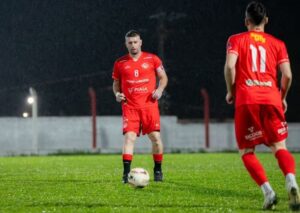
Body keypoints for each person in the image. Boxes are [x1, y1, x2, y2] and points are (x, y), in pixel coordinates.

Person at [224, 1, 300, 211]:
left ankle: (268, 192)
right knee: (279, 147)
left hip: (247, 98)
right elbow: (287, 75)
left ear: (246, 21)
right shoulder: (278, 43)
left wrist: (231, 91)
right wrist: (282, 96)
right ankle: (291, 180)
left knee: (247, 151)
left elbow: (230, 66)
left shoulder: (236, 39)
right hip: (271, 98)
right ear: (266, 20)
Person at [112, 30, 168, 184]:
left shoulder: (152, 59)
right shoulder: (120, 63)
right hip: (130, 107)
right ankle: (125, 174)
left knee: (155, 138)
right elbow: (116, 84)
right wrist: (117, 94)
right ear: (126, 44)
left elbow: (163, 78)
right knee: (129, 137)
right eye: (130, 42)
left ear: (141, 42)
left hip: (149, 106)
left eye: (135, 42)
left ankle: (158, 170)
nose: (133, 45)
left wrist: (160, 90)